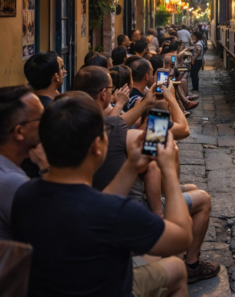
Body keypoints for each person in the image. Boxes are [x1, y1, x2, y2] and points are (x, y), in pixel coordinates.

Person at [12, 92, 192, 296]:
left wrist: (131, 166)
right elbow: (182, 236)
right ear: (97, 147)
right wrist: (167, 168)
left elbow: (96, 206)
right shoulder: (116, 212)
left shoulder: (24, 194)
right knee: (176, 268)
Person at [74, 68, 219, 282]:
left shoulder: (85, 125)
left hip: (99, 206)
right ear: (104, 94)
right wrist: (165, 102)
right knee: (203, 198)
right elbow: (158, 147)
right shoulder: (114, 127)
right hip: (131, 209)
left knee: (190, 190)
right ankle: (191, 265)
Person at [0, 86, 46, 240]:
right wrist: (47, 167)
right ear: (19, 132)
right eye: (41, 119)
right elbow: (55, 232)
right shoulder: (12, 182)